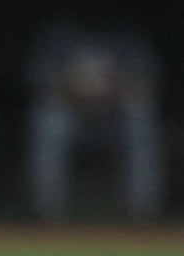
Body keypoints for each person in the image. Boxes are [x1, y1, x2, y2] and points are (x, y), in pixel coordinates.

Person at [26, 15, 164, 222]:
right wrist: (78, 91)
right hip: (73, 119)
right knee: (49, 119)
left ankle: (141, 213)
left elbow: (146, 87)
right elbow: (43, 86)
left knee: (140, 116)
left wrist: (111, 92)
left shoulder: (127, 38)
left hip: (117, 120)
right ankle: (49, 213)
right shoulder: (59, 38)